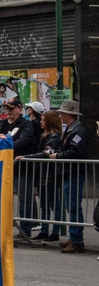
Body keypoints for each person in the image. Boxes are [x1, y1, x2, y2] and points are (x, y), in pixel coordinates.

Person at [0, 97, 36, 238]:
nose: (8, 111)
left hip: (21, 168)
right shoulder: (1, 124)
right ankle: (3, 227)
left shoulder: (26, 124)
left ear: (19, 108)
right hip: (4, 167)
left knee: (24, 198)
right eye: (7, 108)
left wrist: (5, 143)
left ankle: (25, 229)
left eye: (11, 108)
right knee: (2, 198)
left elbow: (23, 141)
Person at [18, 110, 64, 242]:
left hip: (51, 173)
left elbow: (46, 153)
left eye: (43, 120)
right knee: (44, 203)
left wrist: (26, 157)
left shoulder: (55, 136)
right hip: (43, 173)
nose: (41, 122)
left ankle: (55, 232)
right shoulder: (45, 136)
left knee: (54, 203)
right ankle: (44, 230)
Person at [52, 100, 88, 253]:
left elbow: (76, 152)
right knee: (71, 206)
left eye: (61, 113)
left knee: (73, 206)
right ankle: (74, 237)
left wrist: (58, 156)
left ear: (68, 114)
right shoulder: (73, 129)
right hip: (70, 172)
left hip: (73, 172)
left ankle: (77, 240)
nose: (59, 115)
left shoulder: (78, 131)